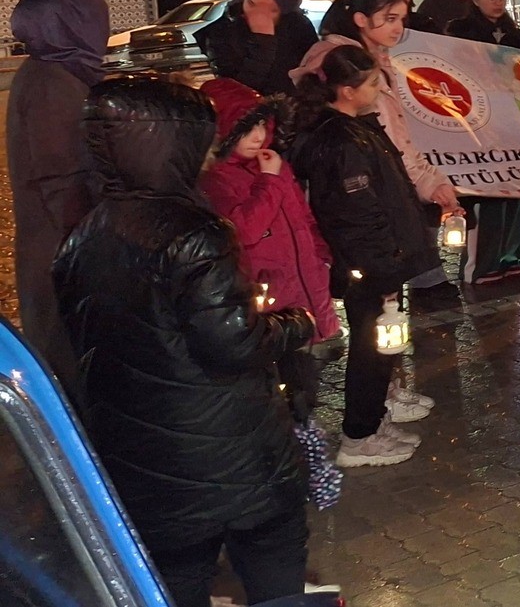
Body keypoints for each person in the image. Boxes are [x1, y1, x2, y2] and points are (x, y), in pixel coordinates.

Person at [54, 77, 318, 607]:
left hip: (147, 467)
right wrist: (296, 322)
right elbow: (234, 346)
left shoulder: (84, 235)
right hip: (233, 458)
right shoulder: (196, 233)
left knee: (177, 584)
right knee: (274, 573)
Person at [287, 45, 439, 468]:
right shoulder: (343, 141)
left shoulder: (357, 128)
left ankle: (372, 420)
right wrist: (385, 263)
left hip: (379, 259)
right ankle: (358, 437)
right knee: (371, 349)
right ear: (348, 90)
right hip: (371, 264)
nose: (380, 89)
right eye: (373, 83)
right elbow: (357, 212)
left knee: (382, 346)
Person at [301, 0, 464, 298]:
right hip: (369, 214)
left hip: (382, 202)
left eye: (402, 18)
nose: (399, 28)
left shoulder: (374, 62)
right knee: (377, 307)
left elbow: (398, 140)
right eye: (389, 18)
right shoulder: (353, 72)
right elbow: (391, 145)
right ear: (362, 19)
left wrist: (433, 185)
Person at [199, 78, 340, 418]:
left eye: (262, 124)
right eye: (247, 128)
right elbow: (243, 230)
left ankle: (307, 445)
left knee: (305, 381)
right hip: (267, 297)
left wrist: (321, 255)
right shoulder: (217, 179)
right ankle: (296, 450)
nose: (259, 135)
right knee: (281, 387)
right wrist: (270, 181)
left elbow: (302, 219)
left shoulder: (273, 163)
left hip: (301, 285)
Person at [6, 0, 107, 388]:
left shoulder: (57, 72)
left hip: (57, 249)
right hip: (60, 256)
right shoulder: (52, 82)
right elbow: (62, 181)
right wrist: (93, 245)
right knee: (71, 366)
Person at [440, 0, 520, 281]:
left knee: (513, 189)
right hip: (476, 126)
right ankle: (481, 264)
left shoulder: (515, 35)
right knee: (486, 193)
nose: (497, 2)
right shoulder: (459, 32)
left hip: (511, 124)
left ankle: (509, 255)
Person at [196, 0, 320, 96]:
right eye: (251, 3)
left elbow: (312, 82)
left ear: (285, 12)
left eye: (270, 10)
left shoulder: (299, 27)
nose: (256, 14)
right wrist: (263, 43)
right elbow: (236, 93)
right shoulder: (220, 32)